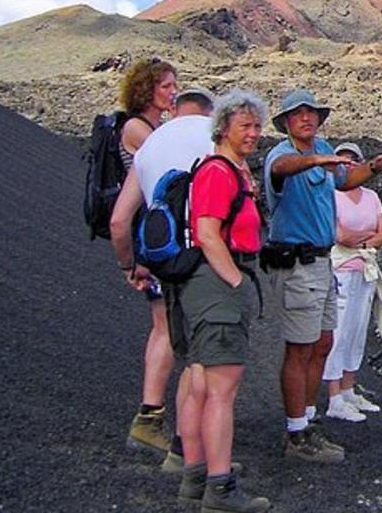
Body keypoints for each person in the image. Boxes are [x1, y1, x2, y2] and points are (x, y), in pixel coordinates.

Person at [262, 89, 382, 462]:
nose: (306, 119)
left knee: (322, 342)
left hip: (323, 261)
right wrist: (314, 160)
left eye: (312, 113)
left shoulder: (323, 148)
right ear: (286, 123)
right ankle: (296, 433)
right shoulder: (282, 155)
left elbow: (344, 179)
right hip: (296, 263)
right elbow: (281, 171)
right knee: (300, 346)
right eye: (298, 114)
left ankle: (308, 420)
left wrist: (373, 167)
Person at [110, 87, 214, 468]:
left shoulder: (152, 144)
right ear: (210, 111)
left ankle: (149, 417)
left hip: (159, 256)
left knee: (165, 332)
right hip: (204, 259)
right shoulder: (216, 138)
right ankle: (190, 448)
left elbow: (120, 220)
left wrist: (129, 265)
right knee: (203, 354)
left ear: (175, 110)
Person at [176, 89, 270, 512]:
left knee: (200, 385)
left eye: (257, 126)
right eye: (245, 126)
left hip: (206, 287)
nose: (253, 134)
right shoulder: (218, 172)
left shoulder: (231, 169)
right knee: (220, 392)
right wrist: (236, 282)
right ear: (223, 129)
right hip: (217, 286)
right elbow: (207, 232)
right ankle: (220, 489)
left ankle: (195, 479)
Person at [112, 58, 179, 453]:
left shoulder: (152, 128)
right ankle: (149, 416)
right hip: (148, 240)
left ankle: (154, 414)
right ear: (147, 90)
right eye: (166, 86)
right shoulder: (139, 129)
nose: (172, 92)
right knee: (165, 327)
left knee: (165, 325)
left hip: (150, 237)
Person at [323, 142, 382, 422]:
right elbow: (340, 236)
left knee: (356, 329)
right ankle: (333, 397)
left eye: (353, 161)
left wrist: (360, 240)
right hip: (340, 268)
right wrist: (366, 237)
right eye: (341, 160)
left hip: (365, 268)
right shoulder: (329, 195)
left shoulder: (371, 196)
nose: (347, 165)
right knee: (338, 331)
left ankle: (349, 388)